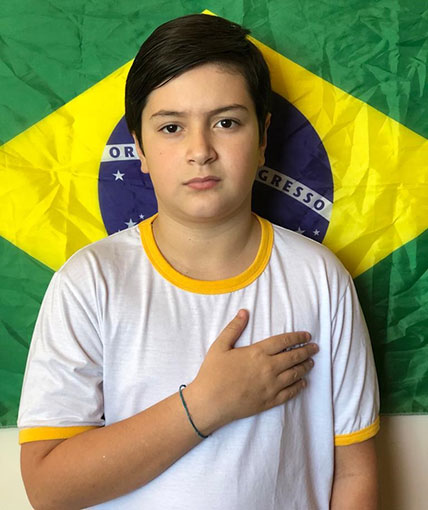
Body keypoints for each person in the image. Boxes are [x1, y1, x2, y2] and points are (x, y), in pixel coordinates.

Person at [18, 13, 379, 510]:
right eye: (171, 127)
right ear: (139, 147)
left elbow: (355, 471)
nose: (200, 151)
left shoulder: (319, 277)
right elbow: (47, 488)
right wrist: (204, 405)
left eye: (226, 122)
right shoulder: (90, 282)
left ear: (263, 137)